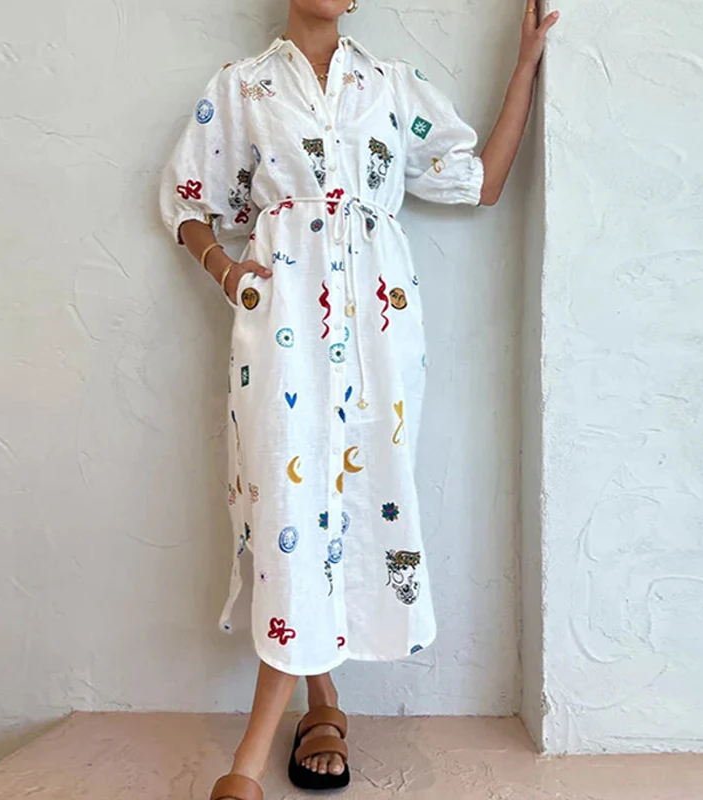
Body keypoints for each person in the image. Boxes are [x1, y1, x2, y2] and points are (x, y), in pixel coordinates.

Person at [159, 1, 558, 798]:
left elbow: (480, 183)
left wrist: (523, 68)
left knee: (360, 501)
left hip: (381, 333)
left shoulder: (392, 85)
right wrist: (227, 272)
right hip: (282, 326)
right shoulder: (241, 87)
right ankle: (257, 755)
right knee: (289, 508)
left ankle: (322, 704)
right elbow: (185, 200)